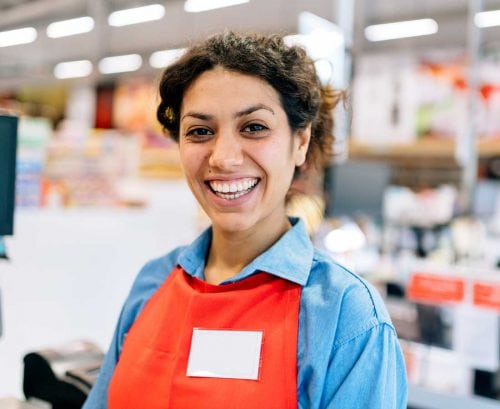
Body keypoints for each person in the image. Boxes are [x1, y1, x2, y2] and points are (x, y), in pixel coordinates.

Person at [83, 31, 407, 408]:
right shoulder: (153, 282)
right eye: (200, 131)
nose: (223, 157)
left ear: (300, 141)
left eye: (253, 127)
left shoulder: (346, 317)